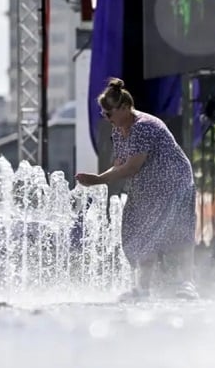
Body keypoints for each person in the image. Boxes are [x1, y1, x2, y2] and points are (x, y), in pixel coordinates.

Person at [75, 78, 198, 300]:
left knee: (178, 231)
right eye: (103, 113)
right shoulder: (119, 130)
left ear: (124, 107)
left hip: (174, 183)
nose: (106, 117)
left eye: (108, 113)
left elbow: (131, 167)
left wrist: (97, 180)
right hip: (148, 185)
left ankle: (186, 283)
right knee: (136, 230)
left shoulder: (143, 127)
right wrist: (101, 177)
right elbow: (121, 163)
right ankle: (142, 288)